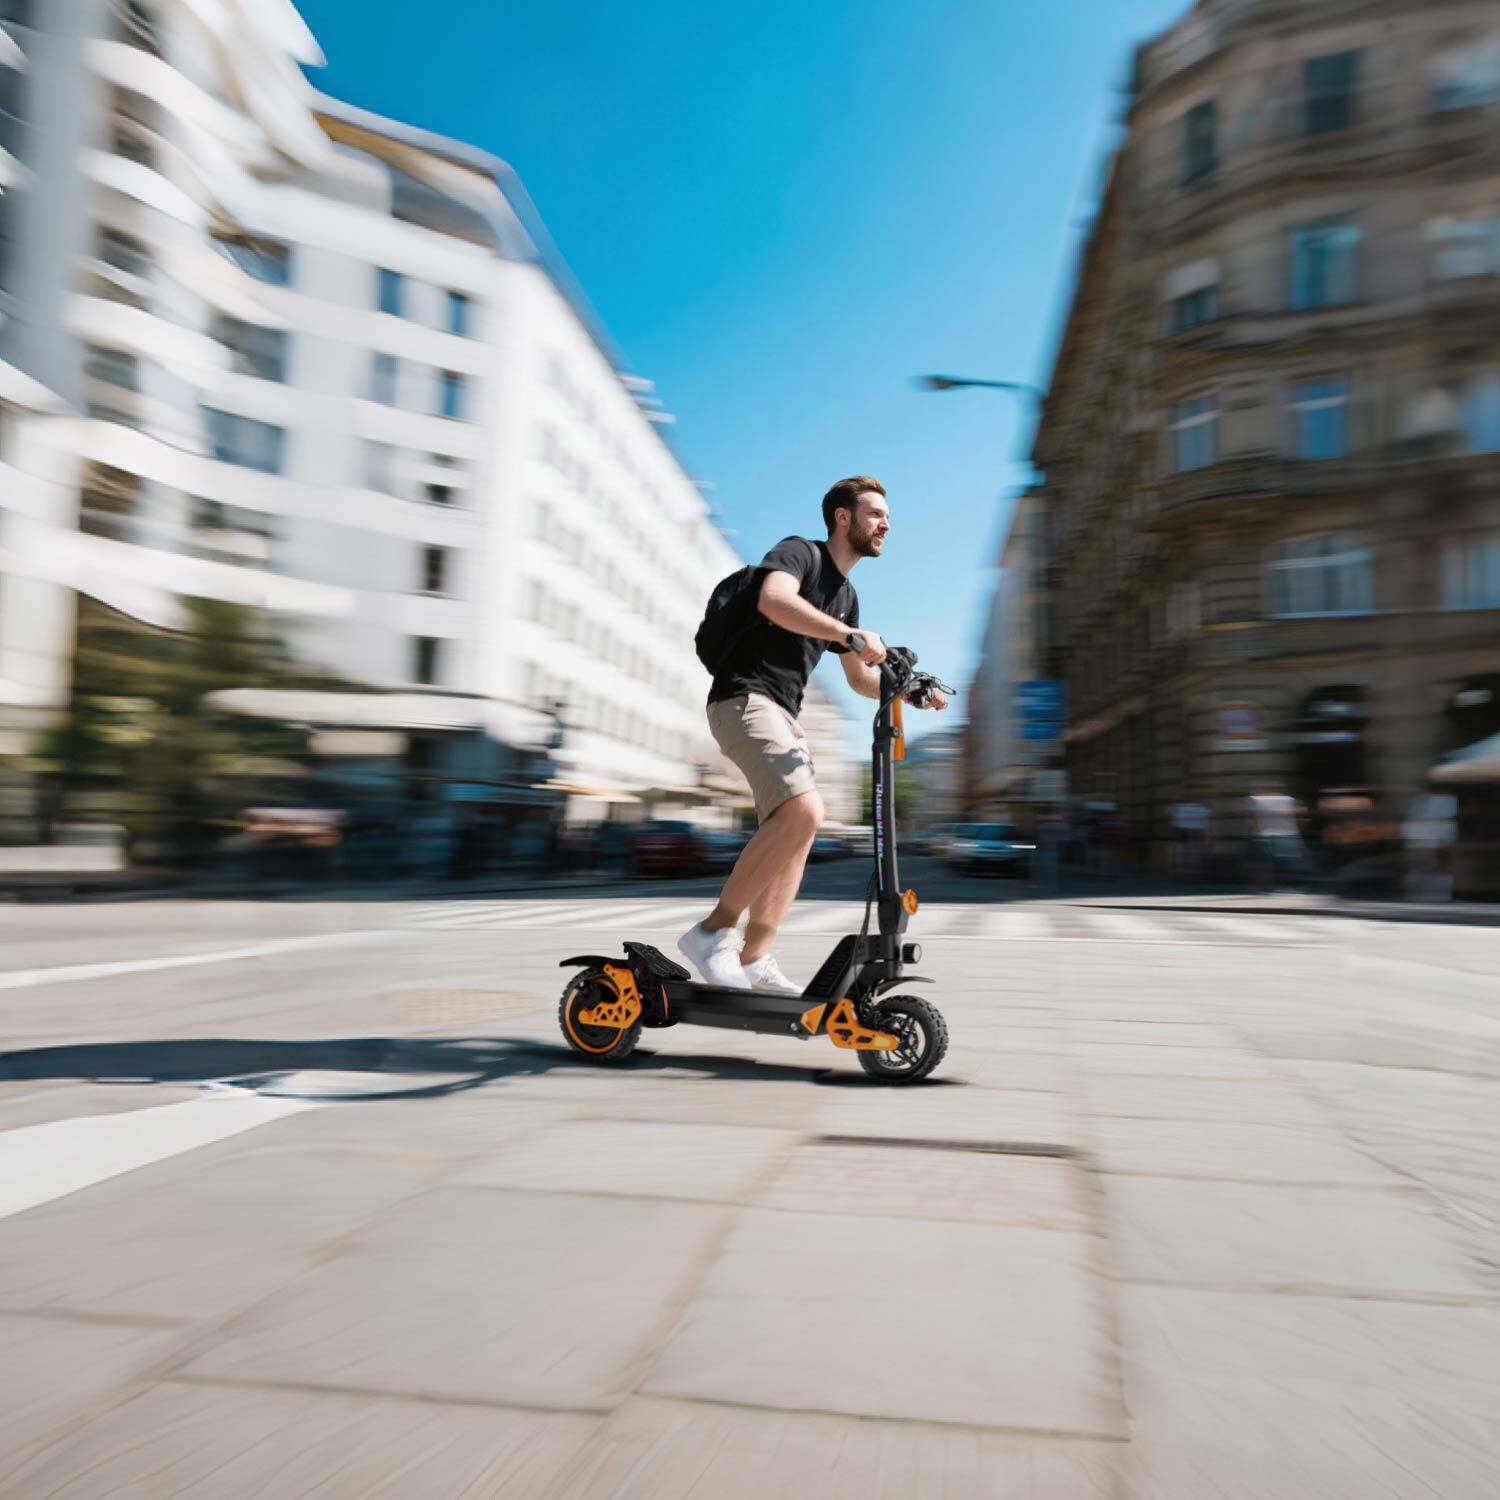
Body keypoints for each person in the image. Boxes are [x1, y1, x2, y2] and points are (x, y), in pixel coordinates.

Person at [678, 476, 947, 990]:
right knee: (805, 810)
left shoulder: (846, 595)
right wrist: (847, 634)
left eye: (886, 515)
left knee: (797, 832)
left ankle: (755, 958)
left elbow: (860, 679)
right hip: (743, 698)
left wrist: (908, 691)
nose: (886, 523)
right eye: (874, 513)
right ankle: (712, 934)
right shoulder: (801, 554)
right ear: (843, 518)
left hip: (784, 713)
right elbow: (774, 601)